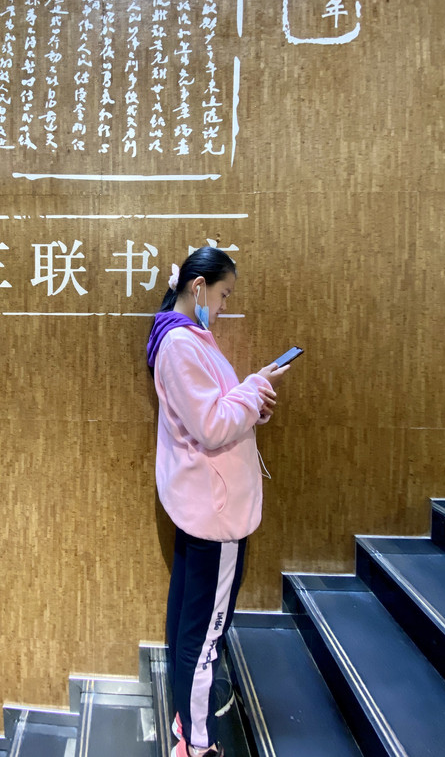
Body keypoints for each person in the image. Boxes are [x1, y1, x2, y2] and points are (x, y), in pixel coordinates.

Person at [146, 247, 288, 757]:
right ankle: (198, 744)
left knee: (189, 622)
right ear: (199, 286)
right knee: (206, 635)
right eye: (224, 295)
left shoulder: (184, 338)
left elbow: (219, 408)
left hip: (203, 505)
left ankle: (186, 722)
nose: (224, 306)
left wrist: (253, 397)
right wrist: (255, 388)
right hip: (217, 512)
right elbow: (211, 426)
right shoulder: (182, 345)